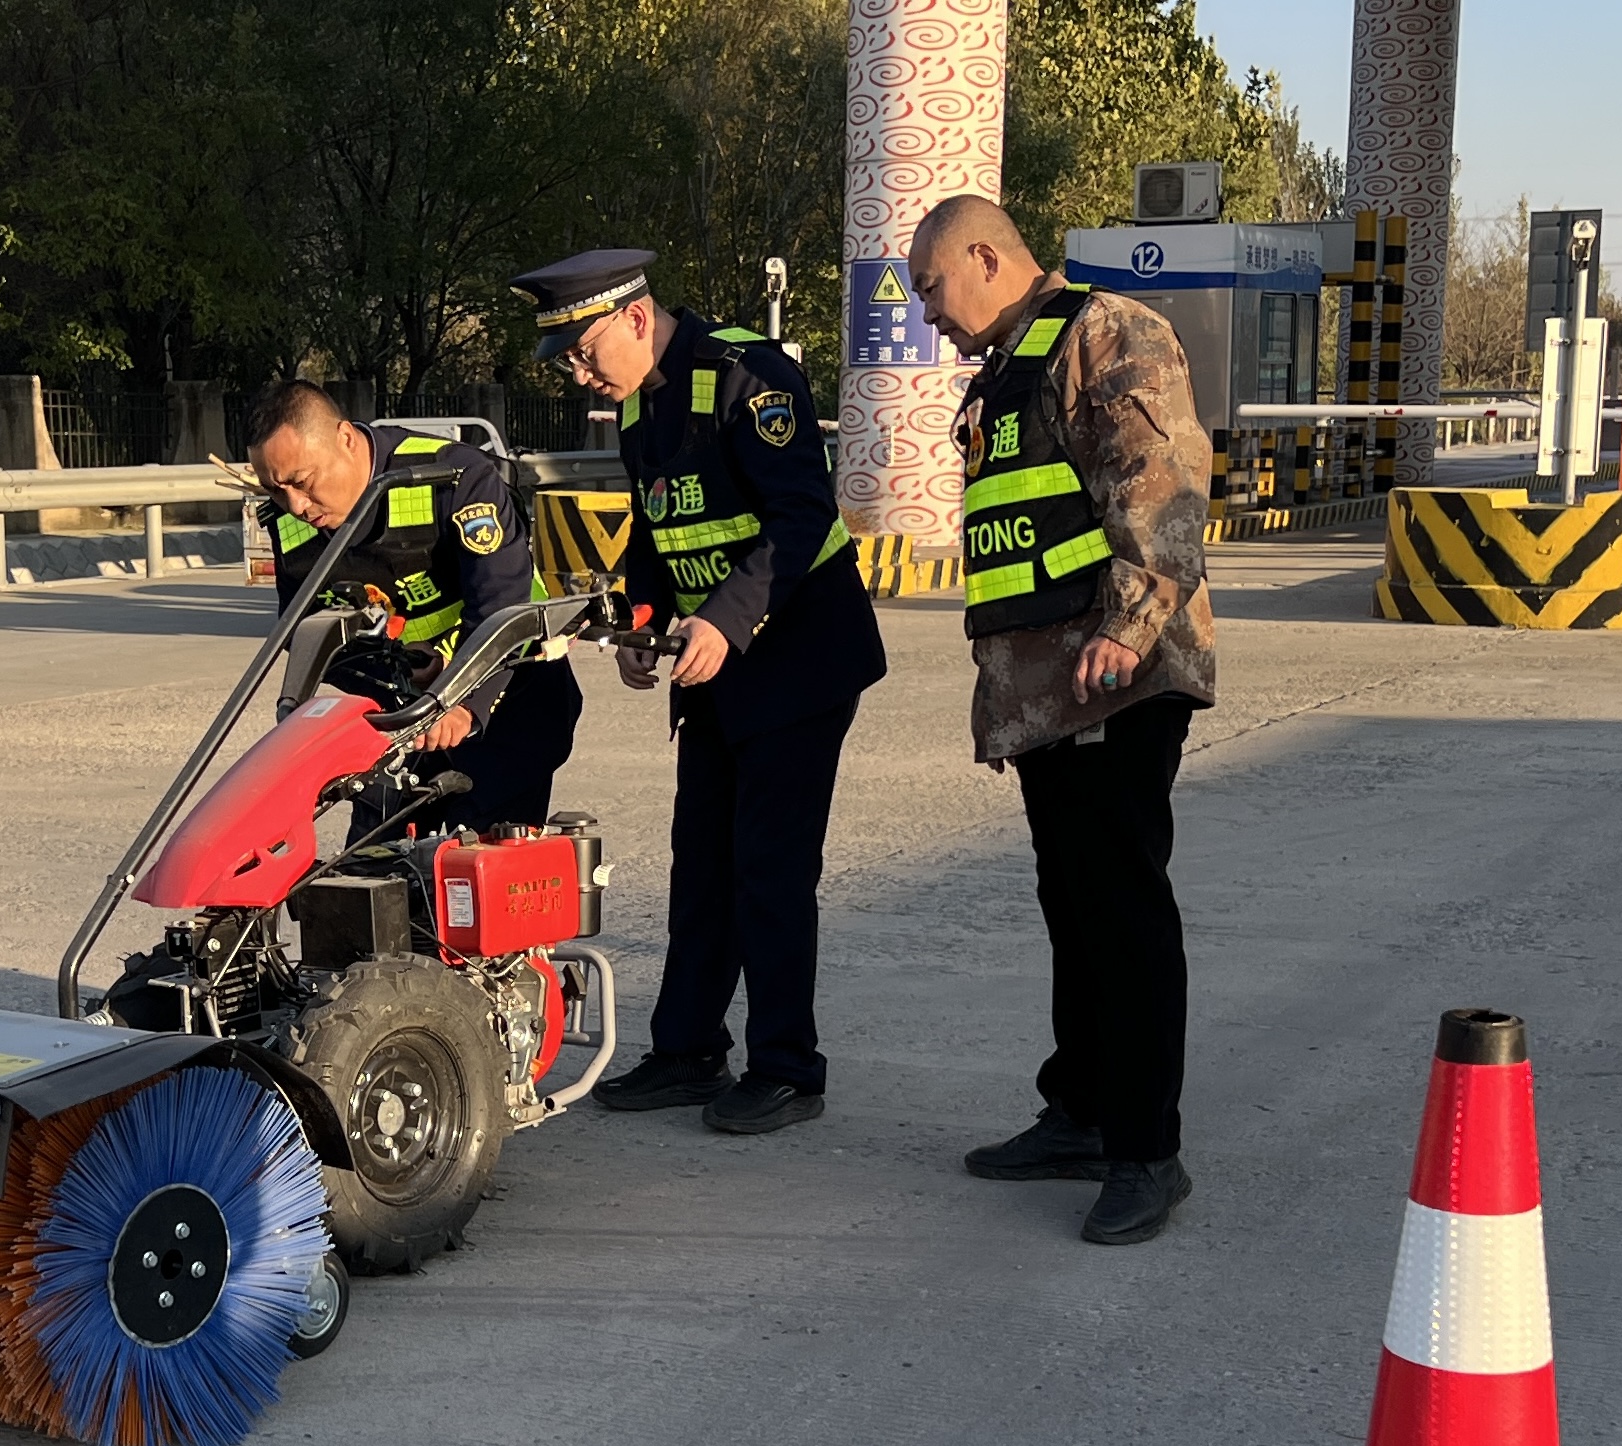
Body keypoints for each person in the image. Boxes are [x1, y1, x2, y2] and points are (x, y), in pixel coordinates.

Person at [511, 247, 887, 1136]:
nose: (580, 375)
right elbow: (658, 526)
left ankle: (787, 1067)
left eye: (584, 352)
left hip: (796, 658)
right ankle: (686, 1050)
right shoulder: (640, 403)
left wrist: (724, 618)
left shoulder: (748, 377)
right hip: (715, 665)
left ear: (637, 318)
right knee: (703, 864)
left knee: (770, 870)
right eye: (567, 362)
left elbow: (802, 517)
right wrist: (642, 623)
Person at [907, 193, 1216, 1246]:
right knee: (1074, 908)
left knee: (1121, 912)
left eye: (933, 289)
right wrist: (1007, 703)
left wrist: (1129, 626)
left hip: (1117, 674)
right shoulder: (1009, 367)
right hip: (1050, 692)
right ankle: (1080, 1111)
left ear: (985, 256)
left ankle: (1145, 1151)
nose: (928, 315)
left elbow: (1161, 484)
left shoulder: (1107, 332)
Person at [238, 380, 580, 830]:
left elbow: (499, 605)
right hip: (403, 716)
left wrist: (459, 701)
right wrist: (393, 671)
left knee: (475, 860)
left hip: (505, 696)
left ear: (345, 438)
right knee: (372, 863)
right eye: (276, 489)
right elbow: (306, 632)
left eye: (302, 482)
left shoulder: (453, 477)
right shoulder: (290, 521)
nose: (295, 505)